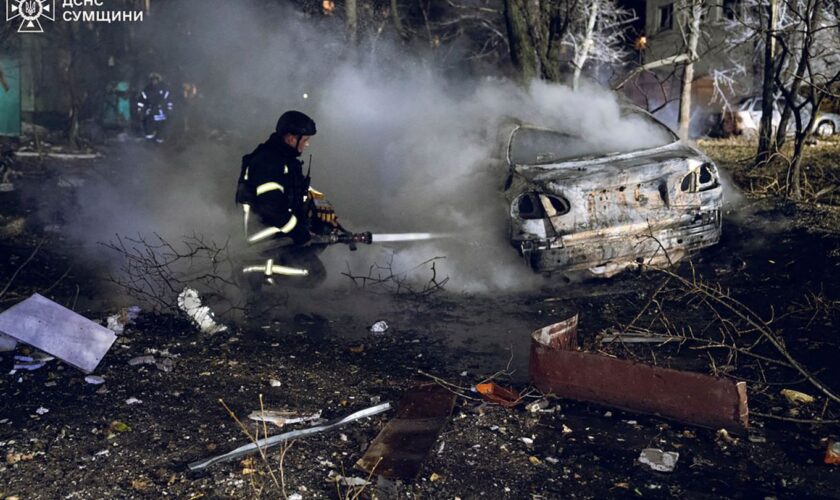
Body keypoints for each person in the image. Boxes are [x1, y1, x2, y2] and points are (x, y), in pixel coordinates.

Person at [236, 110, 344, 289]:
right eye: (305, 139)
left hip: (280, 231)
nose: (307, 144)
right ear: (291, 137)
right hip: (262, 237)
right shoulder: (268, 163)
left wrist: (317, 203)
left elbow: (290, 191)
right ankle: (251, 271)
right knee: (312, 274)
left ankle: (281, 285)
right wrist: (298, 232)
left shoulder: (285, 160)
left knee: (321, 229)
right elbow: (271, 208)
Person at [136, 73, 174, 143]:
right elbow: (141, 101)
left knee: (161, 130)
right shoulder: (146, 90)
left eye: (155, 80)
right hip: (150, 113)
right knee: (149, 130)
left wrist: (169, 110)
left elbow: (169, 100)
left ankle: (160, 143)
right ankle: (149, 143)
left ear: (158, 80)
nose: (154, 81)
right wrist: (141, 110)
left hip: (161, 113)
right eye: (152, 80)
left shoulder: (164, 89)